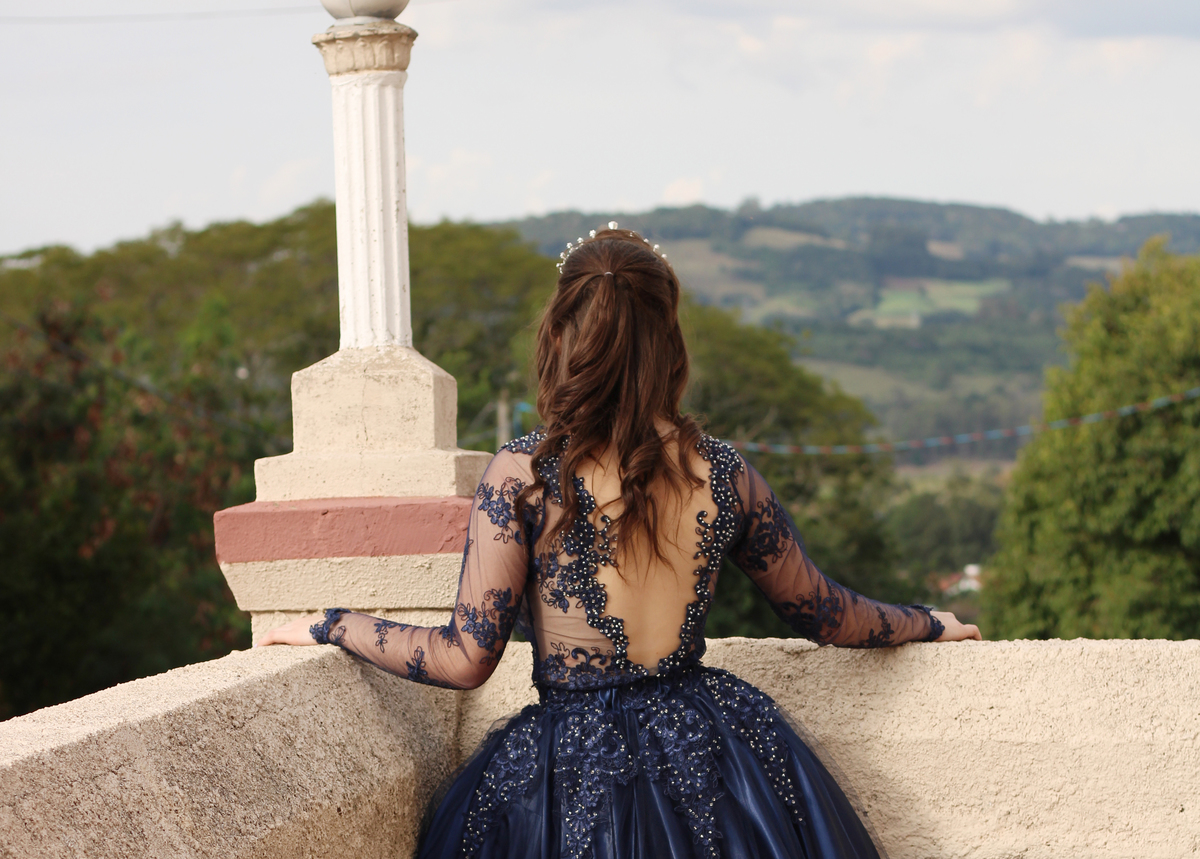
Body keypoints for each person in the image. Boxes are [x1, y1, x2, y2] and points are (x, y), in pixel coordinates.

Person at [260, 224, 982, 859]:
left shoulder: (524, 475)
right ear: (668, 340)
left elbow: (465, 657)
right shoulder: (723, 472)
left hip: (568, 777)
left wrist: (333, 623)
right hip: (714, 758)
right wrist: (927, 621)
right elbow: (823, 612)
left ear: (561, 336)